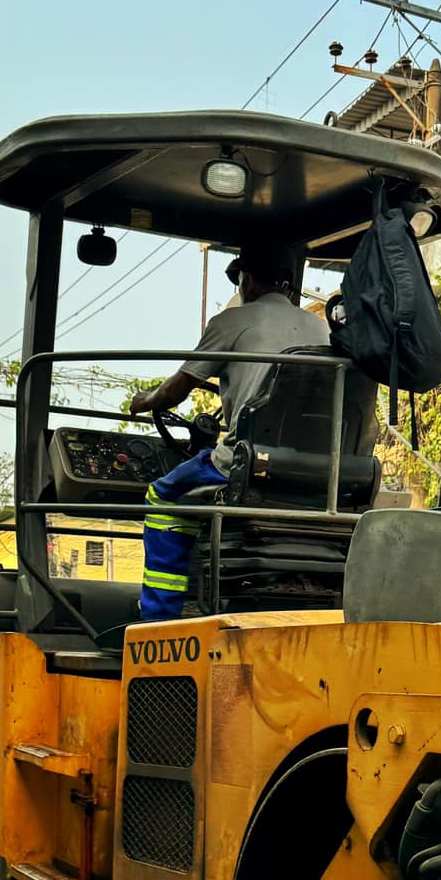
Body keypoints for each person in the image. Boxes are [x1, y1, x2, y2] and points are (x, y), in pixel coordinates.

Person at [128, 244, 329, 622]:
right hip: (322, 467)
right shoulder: (322, 327)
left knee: (162, 498)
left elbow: (176, 389)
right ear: (288, 287)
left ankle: (158, 620)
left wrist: (147, 399)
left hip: (248, 461)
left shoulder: (231, 322)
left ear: (247, 281)